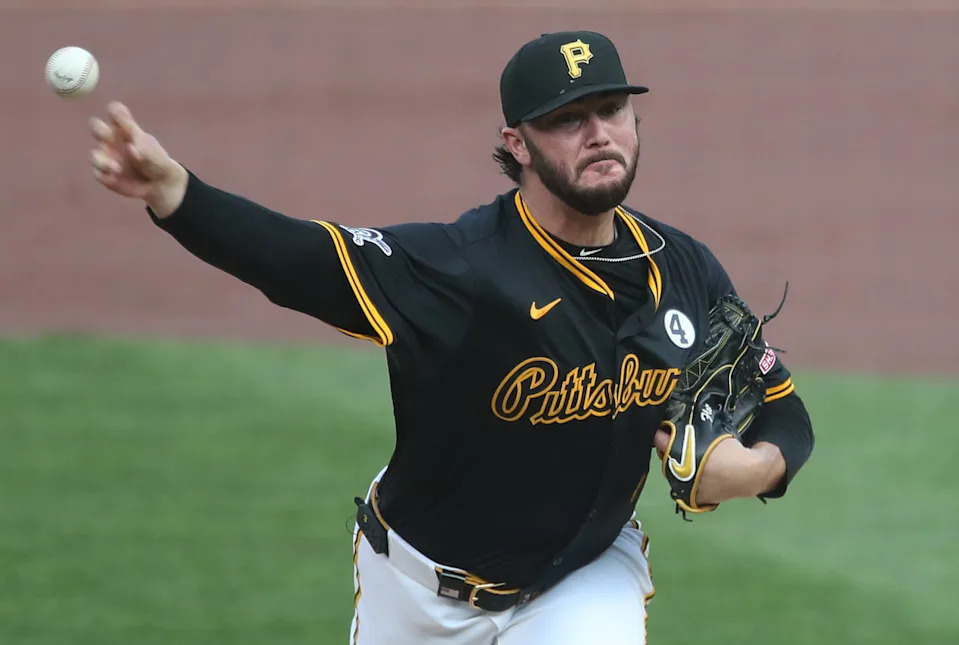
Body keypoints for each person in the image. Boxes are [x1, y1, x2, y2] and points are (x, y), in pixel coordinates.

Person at [88, 30, 814, 645]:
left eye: (611, 110)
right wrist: (174, 192)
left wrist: (750, 471)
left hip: (582, 575)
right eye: (567, 119)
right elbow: (300, 260)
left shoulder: (684, 270)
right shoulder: (462, 269)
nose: (598, 133)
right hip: (414, 587)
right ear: (517, 143)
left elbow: (785, 412)